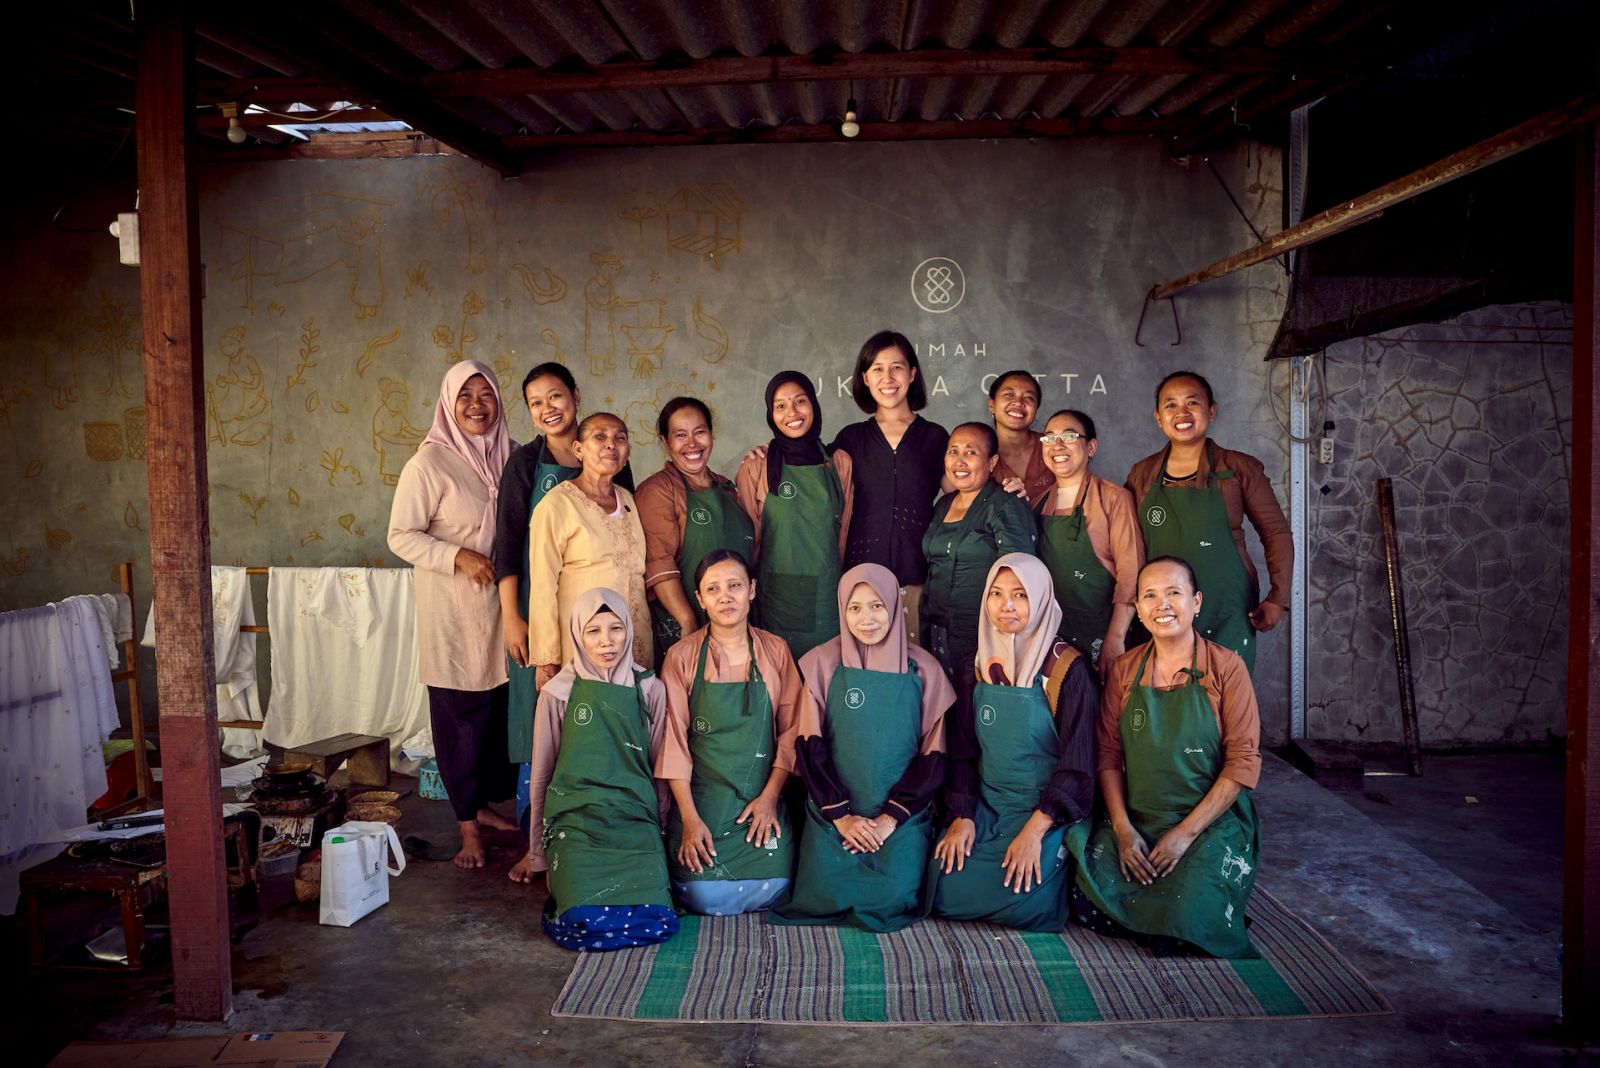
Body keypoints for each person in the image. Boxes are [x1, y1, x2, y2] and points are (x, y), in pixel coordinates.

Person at [1068, 556, 1262, 958]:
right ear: (1137, 608)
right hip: (1139, 818)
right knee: (1081, 900)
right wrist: (1122, 830)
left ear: (1196, 602)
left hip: (1208, 823)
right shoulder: (1124, 670)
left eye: (1174, 593)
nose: (1162, 605)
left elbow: (1242, 764)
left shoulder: (1227, 668)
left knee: (1183, 923)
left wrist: (1183, 835)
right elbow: (1107, 755)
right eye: (1150, 596)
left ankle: (1187, 904)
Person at [769, 564, 954, 933]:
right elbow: (809, 746)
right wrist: (842, 817)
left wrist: (887, 821)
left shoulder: (924, 670)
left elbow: (933, 760)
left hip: (900, 821)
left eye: (876, 606)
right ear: (842, 610)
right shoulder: (823, 664)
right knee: (820, 899)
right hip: (833, 818)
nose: (866, 619)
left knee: (894, 901)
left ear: (893, 607)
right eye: (854, 608)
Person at [387, 360, 518, 869]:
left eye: (486, 394)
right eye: (465, 396)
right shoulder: (429, 464)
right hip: (454, 611)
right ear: (447, 403)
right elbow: (400, 535)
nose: (477, 405)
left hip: (503, 608)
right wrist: (457, 557)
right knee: (460, 717)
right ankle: (467, 827)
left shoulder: (511, 457)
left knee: (498, 714)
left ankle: (483, 807)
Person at [492, 362, 633, 831]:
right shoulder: (525, 465)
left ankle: (602, 817)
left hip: (605, 620)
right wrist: (513, 617)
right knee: (543, 712)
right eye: (536, 402)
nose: (548, 408)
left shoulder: (614, 461)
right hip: (540, 606)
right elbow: (508, 544)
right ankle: (539, 824)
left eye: (555, 396)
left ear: (575, 394)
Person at [929, 554, 1098, 930]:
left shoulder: (1068, 670)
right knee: (942, 886)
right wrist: (962, 815)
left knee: (1024, 904)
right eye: (997, 593)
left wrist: (1035, 831)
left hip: (1048, 812)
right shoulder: (978, 664)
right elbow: (963, 753)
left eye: (1020, 595)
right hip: (988, 808)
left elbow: (1079, 765)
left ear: (1039, 600)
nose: (1006, 606)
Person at [507, 589, 678, 951]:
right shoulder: (557, 693)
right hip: (576, 821)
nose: (606, 642)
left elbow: (660, 770)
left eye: (616, 628)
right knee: (580, 918)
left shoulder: (650, 689)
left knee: (657, 916)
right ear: (577, 635)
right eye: (593, 631)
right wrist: (537, 850)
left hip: (634, 820)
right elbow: (541, 777)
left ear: (630, 630)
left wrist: (659, 831)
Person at [656, 550, 804, 914]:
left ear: (752, 590)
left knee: (779, 885)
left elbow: (791, 733)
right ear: (700, 599)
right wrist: (689, 820)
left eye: (735, 586)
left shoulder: (776, 650)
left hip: (761, 802)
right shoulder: (681, 657)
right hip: (702, 804)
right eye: (713, 589)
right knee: (700, 893)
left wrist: (770, 799)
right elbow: (671, 743)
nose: (725, 597)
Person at [1125, 371, 1290, 672]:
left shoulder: (1239, 469)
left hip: (1227, 607)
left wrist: (1279, 597)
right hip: (1162, 611)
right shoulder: (1142, 475)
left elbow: (1276, 532)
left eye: (1193, 403)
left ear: (1211, 411)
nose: (1182, 413)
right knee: (1165, 700)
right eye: (1171, 405)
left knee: (1224, 699)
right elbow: (1123, 541)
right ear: (1158, 417)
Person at [828, 332, 949, 643]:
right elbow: (810, 475)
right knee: (867, 673)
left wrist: (1003, 484)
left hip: (918, 574)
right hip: (861, 578)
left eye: (896, 367)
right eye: (877, 369)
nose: (888, 377)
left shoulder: (935, 437)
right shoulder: (850, 439)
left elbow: (963, 489)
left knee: (914, 671)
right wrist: (767, 455)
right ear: (865, 378)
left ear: (912, 374)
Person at [527, 412, 651, 694]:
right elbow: (543, 584)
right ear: (579, 450)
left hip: (635, 644)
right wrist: (547, 660)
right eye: (600, 437)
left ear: (627, 451)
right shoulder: (558, 504)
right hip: (583, 646)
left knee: (632, 727)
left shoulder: (629, 500)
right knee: (587, 728)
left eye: (620, 438)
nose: (611, 444)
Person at [735, 371, 854, 661]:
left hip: (827, 596)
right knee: (781, 686)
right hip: (776, 599)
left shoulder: (839, 463)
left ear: (813, 404)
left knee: (823, 683)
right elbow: (748, 544)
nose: (792, 413)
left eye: (800, 401)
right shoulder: (756, 468)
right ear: (771, 414)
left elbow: (844, 535)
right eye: (781, 406)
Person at [636, 396, 755, 663]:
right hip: (685, 628)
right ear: (666, 443)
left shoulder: (728, 488)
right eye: (680, 435)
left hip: (736, 627)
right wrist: (688, 623)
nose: (692, 444)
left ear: (711, 435)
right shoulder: (658, 490)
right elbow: (659, 563)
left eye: (699, 432)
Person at [921, 422, 1037, 693]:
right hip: (937, 631)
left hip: (983, 635)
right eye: (953, 451)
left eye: (971, 453)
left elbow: (1020, 576)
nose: (959, 461)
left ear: (992, 461)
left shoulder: (1006, 503)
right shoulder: (943, 505)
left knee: (975, 715)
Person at [1035, 409, 1143, 678]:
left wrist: (1115, 638)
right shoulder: (1036, 503)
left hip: (1101, 633)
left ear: (1091, 447)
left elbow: (1131, 573)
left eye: (1069, 436)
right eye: (1049, 438)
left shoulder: (1114, 498)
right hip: (1051, 638)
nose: (1057, 446)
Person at [988, 370, 1053, 505]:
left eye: (1029, 397)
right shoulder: (978, 451)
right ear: (991, 405)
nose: (1018, 402)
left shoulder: (1052, 446)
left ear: (1036, 409)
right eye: (1009, 395)